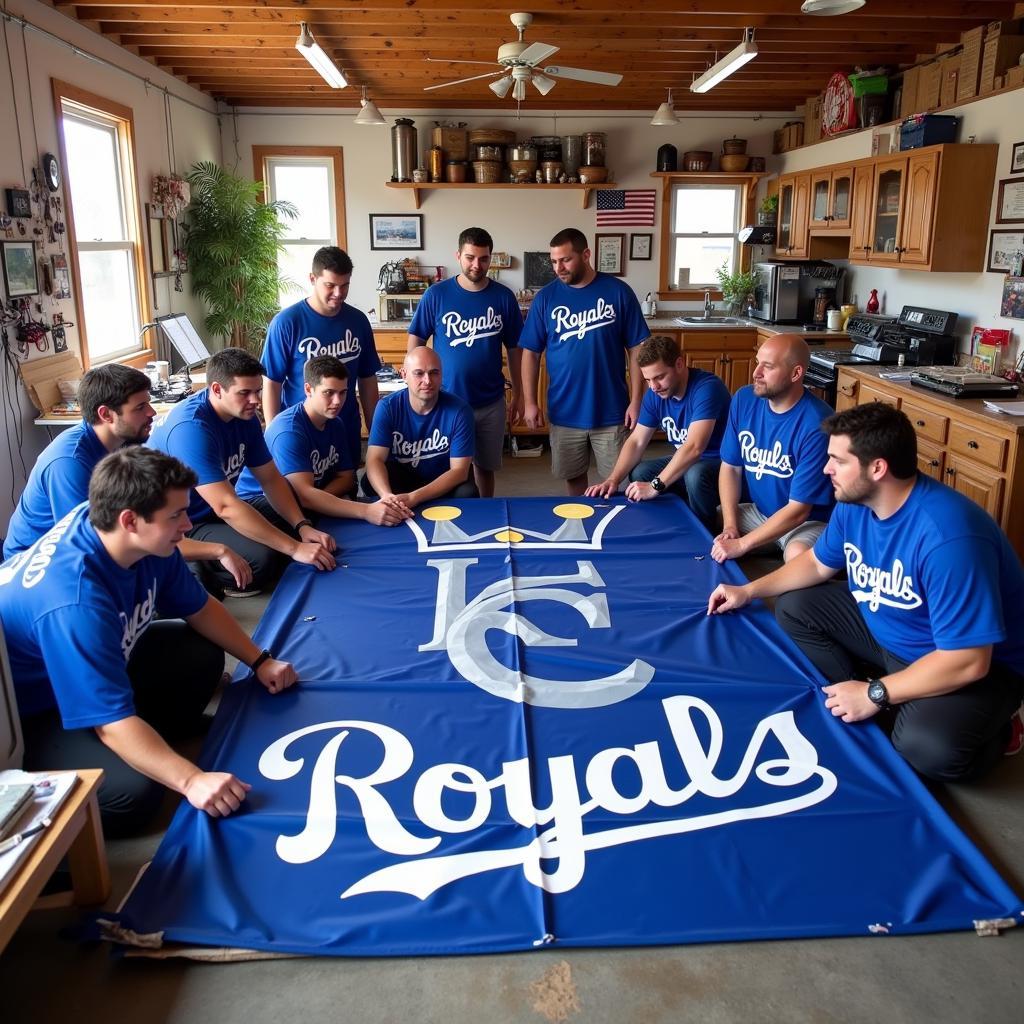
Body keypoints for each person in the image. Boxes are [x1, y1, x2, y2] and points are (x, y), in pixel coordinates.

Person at [708, 403, 1024, 781]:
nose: (826, 470)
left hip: (966, 664)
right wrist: (748, 590)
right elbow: (816, 564)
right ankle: (863, 692)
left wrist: (875, 693)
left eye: (837, 461)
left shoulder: (949, 536)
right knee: (795, 607)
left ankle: (1003, 729)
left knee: (926, 750)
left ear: (878, 468)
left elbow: (969, 660)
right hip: (894, 632)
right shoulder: (856, 503)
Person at [0, 448, 299, 836]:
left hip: (99, 657)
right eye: (176, 515)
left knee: (201, 653)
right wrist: (192, 781)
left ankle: (151, 737)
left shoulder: (137, 538)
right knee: (135, 796)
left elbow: (200, 608)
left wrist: (261, 661)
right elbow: (110, 723)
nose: (188, 525)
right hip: (37, 713)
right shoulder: (74, 602)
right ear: (130, 521)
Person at [3, 363, 252, 591]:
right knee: (187, 582)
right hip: (39, 569)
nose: (152, 412)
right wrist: (217, 550)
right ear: (106, 414)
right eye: (140, 407)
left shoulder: (123, 445)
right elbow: (90, 545)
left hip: (107, 543)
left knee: (188, 578)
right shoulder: (69, 464)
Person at [149, 347, 336, 595]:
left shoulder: (244, 416)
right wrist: (294, 548)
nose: (255, 400)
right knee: (263, 558)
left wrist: (301, 525)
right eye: (245, 393)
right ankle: (192, 560)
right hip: (183, 521)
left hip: (217, 507)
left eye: (257, 391)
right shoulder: (190, 429)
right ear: (217, 390)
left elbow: (270, 478)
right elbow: (225, 506)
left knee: (302, 510)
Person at [519, 228, 649, 496]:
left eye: (565, 260)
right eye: (554, 261)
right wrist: (530, 402)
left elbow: (637, 348)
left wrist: (637, 401)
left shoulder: (618, 292)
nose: (558, 268)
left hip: (612, 411)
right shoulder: (545, 298)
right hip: (565, 410)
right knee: (573, 481)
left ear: (586, 254)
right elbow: (530, 352)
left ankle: (614, 535)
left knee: (618, 483)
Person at [407, 226, 524, 498]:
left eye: (483, 258)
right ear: (458, 255)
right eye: (470, 257)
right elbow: (417, 337)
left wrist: (519, 393)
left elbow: (515, 349)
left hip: (490, 400)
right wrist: (413, 381)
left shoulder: (503, 296)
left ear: (490, 258)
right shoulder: (437, 295)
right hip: (445, 400)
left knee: (485, 467)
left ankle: (487, 513)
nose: (476, 264)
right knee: (444, 466)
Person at [236, 355, 412, 527]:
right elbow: (304, 497)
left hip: (307, 494)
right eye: (328, 393)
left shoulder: (335, 423)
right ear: (308, 389)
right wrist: (365, 510)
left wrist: (321, 500)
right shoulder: (288, 431)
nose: (337, 401)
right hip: (259, 501)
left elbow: (347, 478)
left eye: (343, 393)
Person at [585, 334, 730, 528]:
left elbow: (695, 448)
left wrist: (655, 486)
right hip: (689, 461)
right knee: (641, 472)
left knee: (695, 474)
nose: (653, 386)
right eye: (648, 380)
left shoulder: (707, 388)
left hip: (721, 464)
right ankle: (676, 520)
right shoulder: (655, 395)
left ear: (679, 364)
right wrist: (613, 479)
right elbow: (637, 441)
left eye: (660, 377)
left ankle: (706, 532)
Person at [712, 334, 834, 564]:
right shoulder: (744, 399)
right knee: (715, 519)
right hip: (761, 514)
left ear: (796, 373)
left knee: (796, 556)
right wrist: (730, 527)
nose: (756, 372)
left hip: (806, 522)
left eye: (767, 367)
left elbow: (799, 511)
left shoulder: (818, 424)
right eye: (758, 362)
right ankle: (765, 543)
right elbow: (730, 468)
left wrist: (741, 544)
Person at [262, 246, 381, 465]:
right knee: (302, 494)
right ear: (312, 279)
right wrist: (273, 433)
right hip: (299, 432)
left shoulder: (358, 321)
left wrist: (375, 431)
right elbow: (272, 383)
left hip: (345, 427)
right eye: (330, 285)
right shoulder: (286, 323)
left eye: (345, 285)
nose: (338, 293)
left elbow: (367, 379)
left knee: (346, 488)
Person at [363, 346, 477, 509]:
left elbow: (459, 471)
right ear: (404, 375)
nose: (427, 381)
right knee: (369, 481)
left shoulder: (460, 411)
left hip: (442, 479)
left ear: (441, 375)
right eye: (419, 373)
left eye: (434, 373)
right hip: (404, 479)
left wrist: (415, 497)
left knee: (468, 492)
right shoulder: (387, 407)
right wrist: (387, 497)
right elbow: (374, 459)